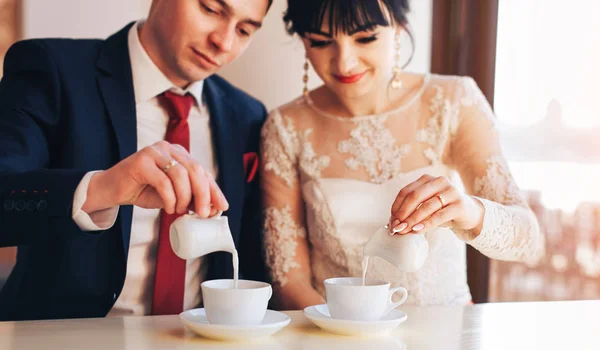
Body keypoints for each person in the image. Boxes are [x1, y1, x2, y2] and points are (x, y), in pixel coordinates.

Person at [261, 0, 544, 310]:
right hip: (338, 341)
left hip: (446, 338)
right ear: (303, 40)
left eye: (365, 38)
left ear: (397, 28)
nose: (344, 63)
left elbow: (528, 241)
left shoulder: (453, 102)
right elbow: (290, 278)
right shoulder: (285, 127)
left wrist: (466, 210)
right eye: (320, 42)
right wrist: (343, 336)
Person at [0, 0, 273, 321]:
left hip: (201, 348)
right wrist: (102, 188)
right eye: (210, 9)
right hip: (65, 346)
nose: (224, 43)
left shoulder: (247, 115)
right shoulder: (51, 69)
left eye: (243, 30)